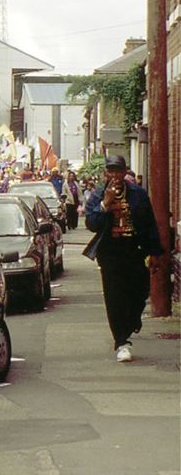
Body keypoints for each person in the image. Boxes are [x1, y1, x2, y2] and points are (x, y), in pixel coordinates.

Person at [84, 155, 165, 363]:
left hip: (134, 249)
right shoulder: (98, 195)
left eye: (118, 171)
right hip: (110, 252)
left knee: (139, 290)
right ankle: (121, 341)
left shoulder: (138, 194)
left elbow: (149, 224)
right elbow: (92, 223)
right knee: (115, 296)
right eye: (110, 171)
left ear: (124, 172)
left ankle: (132, 321)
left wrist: (155, 252)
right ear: (105, 173)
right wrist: (105, 203)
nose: (114, 175)